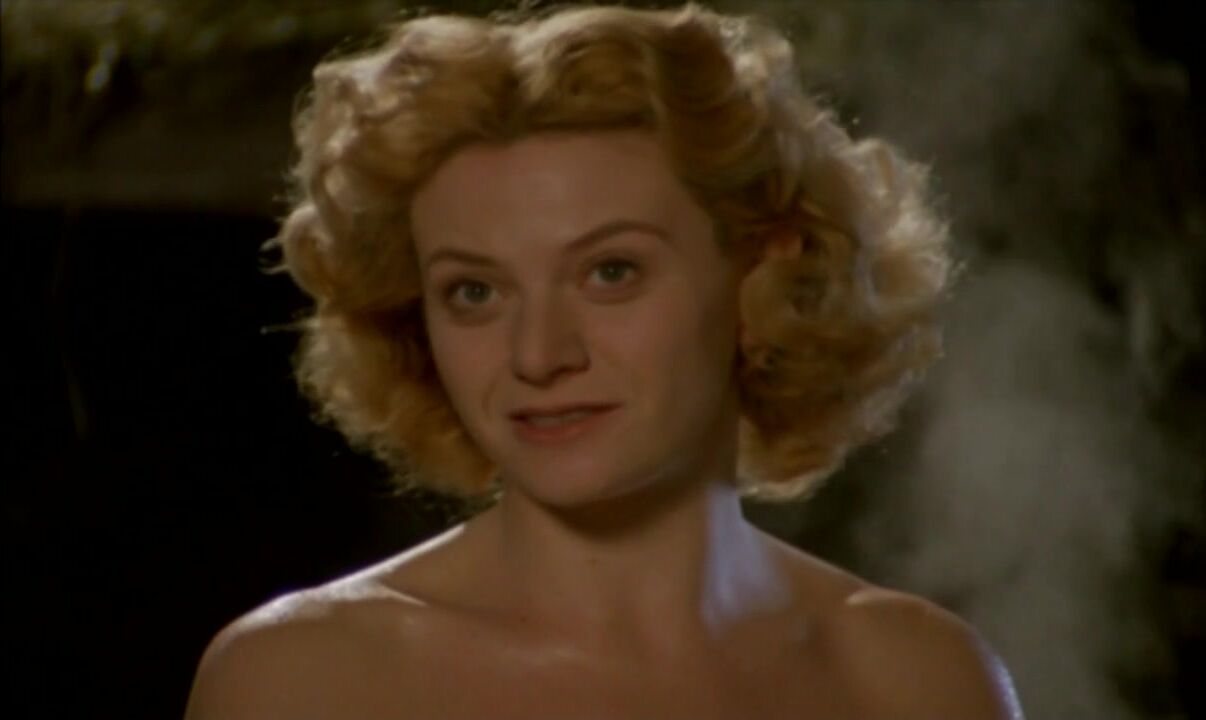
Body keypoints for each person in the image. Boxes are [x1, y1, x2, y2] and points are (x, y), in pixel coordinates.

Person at [184, 2, 1023, 718]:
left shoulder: (913, 682)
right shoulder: (308, 681)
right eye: (474, 291)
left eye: (610, 273)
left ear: (764, 280)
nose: (538, 355)